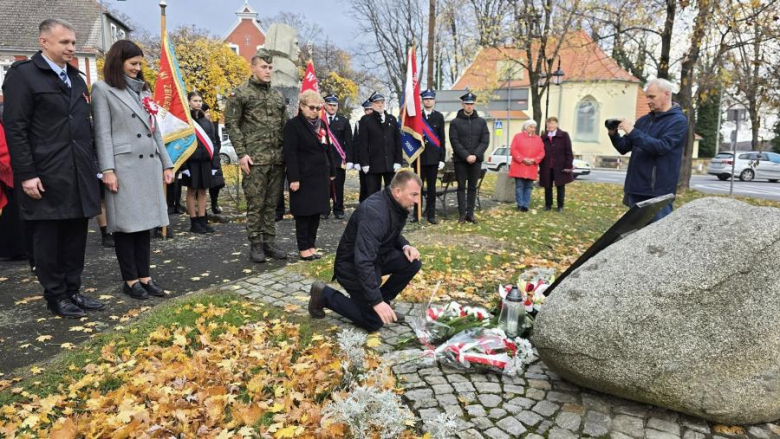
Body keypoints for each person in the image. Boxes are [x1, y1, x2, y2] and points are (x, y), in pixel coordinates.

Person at [3, 19, 105, 318]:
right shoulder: (24, 76)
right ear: (44, 42)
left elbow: (84, 128)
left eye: (73, 43)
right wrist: (27, 174)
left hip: (77, 172)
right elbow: (15, 129)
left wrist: (93, 166)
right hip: (45, 174)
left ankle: (73, 290)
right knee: (48, 240)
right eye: (65, 43)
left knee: (75, 238)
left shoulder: (75, 79)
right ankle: (56, 296)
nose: (71, 49)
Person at [91, 39, 175, 301]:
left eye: (140, 64)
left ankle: (145, 276)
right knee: (127, 227)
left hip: (147, 165)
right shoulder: (103, 90)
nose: (138, 68)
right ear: (119, 62)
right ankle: (130, 280)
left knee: (146, 224)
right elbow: (102, 133)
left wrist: (166, 163)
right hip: (124, 166)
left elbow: (155, 131)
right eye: (133, 63)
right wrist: (107, 169)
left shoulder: (144, 92)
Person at [308, 170, 422, 331]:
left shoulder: (394, 204)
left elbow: (391, 232)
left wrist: (406, 246)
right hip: (351, 266)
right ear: (398, 192)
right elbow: (363, 261)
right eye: (414, 195)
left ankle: (383, 305)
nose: (417, 201)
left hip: (376, 258)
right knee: (373, 322)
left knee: (412, 262)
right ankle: (324, 295)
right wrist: (376, 302)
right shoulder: (375, 213)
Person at [224, 48, 288, 263]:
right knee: (256, 204)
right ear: (253, 68)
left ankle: (269, 242)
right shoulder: (240, 94)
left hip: (276, 159)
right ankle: (256, 244)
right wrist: (241, 154)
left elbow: (285, 126)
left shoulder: (277, 95)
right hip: (254, 159)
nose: (268, 71)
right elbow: (232, 125)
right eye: (264, 67)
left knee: (271, 204)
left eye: (270, 67)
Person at [608, 78, 688, 222]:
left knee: (659, 236)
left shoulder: (678, 121)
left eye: (652, 96)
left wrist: (632, 131)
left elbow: (661, 147)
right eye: (647, 97)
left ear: (667, 94)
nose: (648, 101)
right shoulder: (643, 120)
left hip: (657, 192)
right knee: (636, 236)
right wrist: (613, 134)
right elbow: (624, 147)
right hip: (636, 188)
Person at [283, 90, 337, 260]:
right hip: (303, 176)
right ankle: (303, 248)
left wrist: (332, 171)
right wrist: (294, 178)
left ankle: (311, 246)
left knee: (316, 213)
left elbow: (328, 148)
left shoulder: (321, 124)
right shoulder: (293, 125)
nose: (315, 111)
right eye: (312, 107)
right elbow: (290, 153)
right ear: (302, 106)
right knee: (304, 214)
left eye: (318, 108)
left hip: (320, 175)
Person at [449, 91, 489, 223]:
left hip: (476, 161)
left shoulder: (481, 122)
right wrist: (466, 156)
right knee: (461, 187)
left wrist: (476, 155)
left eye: (471, 104)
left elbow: (485, 140)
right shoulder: (455, 122)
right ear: (462, 104)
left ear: (474, 104)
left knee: (472, 188)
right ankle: (462, 214)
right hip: (461, 160)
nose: (469, 106)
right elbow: (454, 141)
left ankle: (470, 214)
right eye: (467, 104)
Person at [410, 89, 446, 224]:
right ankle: (416, 213)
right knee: (417, 188)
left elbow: (442, 138)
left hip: (433, 159)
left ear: (434, 101)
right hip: (419, 158)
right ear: (422, 101)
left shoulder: (439, 117)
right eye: (426, 99)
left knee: (431, 188)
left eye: (430, 99)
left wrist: (442, 158)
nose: (428, 101)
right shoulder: (416, 117)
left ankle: (431, 215)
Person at [183, 91, 216, 234]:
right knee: (192, 191)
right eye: (195, 100)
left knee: (203, 191)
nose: (198, 103)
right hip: (191, 162)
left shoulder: (207, 122)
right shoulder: (185, 121)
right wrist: (183, 167)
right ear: (189, 102)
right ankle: (194, 221)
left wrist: (214, 164)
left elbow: (214, 143)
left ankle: (203, 219)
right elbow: (181, 145)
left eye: (199, 100)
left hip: (205, 162)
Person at [358, 92, 402, 196]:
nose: (380, 105)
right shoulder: (366, 120)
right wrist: (364, 163)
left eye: (382, 102)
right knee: (373, 194)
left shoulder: (392, 119)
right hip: (373, 165)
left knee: (391, 194)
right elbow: (363, 143)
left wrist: (398, 161)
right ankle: (374, 213)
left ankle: (390, 212)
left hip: (390, 164)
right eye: (377, 102)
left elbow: (397, 141)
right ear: (372, 104)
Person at [322, 93, 352, 220]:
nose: (332, 107)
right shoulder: (320, 120)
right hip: (323, 160)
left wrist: (349, 160)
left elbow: (349, 142)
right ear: (325, 106)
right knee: (324, 186)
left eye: (334, 105)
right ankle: (324, 210)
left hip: (339, 160)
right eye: (330, 105)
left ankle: (338, 209)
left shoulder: (343, 121)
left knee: (338, 186)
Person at [508, 120, 545, 211]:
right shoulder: (517, 137)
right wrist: (522, 159)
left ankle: (525, 205)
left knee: (528, 187)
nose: (533, 129)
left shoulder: (538, 139)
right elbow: (513, 149)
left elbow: (542, 152)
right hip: (519, 166)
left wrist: (534, 160)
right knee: (519, 187)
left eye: (534, 127)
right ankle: (520, 204)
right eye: (531, 127)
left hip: (531, 167)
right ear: (525, 127)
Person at [539, 117, 574, 212]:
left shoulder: (564, 135)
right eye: (549, 123)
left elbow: (568, 151)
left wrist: (568, 165)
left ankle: (560, 206)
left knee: (560, 186)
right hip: (546, 166)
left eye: (553, 123)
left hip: (560, 166)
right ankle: (548, 205)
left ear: (557, 124)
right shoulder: (543, 137)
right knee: (547, 186)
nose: (550, 125)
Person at [203, 103, 225, 215]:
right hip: (202, 158)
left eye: (208, 112)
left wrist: (215, 151)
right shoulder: (197, 125)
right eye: (205, 112)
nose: (208, 114)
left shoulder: (211, 125)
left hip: (214, 158)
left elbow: (217, 140)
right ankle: (202, 210)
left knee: (216, 183)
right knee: (200, 185)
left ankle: (214, 204)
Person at [353, 99, 373, 202]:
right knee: (364, 185)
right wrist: (356, 161)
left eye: (371, 109)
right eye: (367, 109)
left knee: (373, 186)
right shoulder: (358, 123)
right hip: (363, 159)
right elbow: (356, 143)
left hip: (375, 159)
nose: (369, 111)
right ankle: (363, 205)